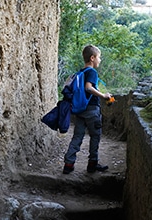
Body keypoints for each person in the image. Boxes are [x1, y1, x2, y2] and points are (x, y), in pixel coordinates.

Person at [63, 45, 112, 174]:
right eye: (99, 57)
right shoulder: (92, 72)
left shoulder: (80, 72)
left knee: (77, 136)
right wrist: (104, 96)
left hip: (80, 110)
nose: (100, 60)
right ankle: (92, 164)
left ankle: (68, 163)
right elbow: (88, 88)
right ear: (92, 58)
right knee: (95, 135)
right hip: (91, 111)